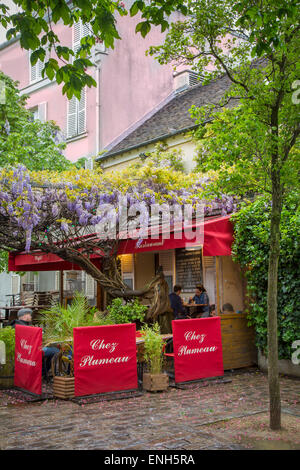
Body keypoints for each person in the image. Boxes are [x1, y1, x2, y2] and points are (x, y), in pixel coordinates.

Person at [8, 308, 59, 377]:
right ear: (25, 316)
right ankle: (42, 373)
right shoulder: (26, 327)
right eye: (29, 315)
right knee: (55, 350)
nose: (31, 317)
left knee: (50, 349)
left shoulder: (14, 325)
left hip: (21, 353)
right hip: (31, 352)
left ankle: (42, 371)